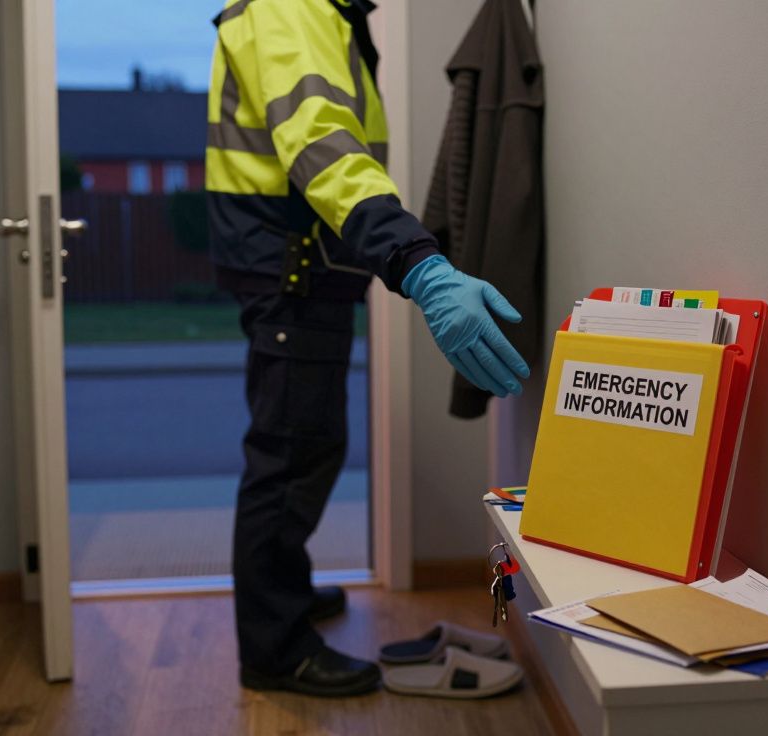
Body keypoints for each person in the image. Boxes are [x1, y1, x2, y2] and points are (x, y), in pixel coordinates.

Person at [205, 0, 530, 697]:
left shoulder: (324, 12)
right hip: (292, 267)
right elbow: (322, 145)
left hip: (298, 265)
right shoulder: (292, 7)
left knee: (307, 443)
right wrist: (417, 260)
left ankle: (284, 591)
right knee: (289, 455)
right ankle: (274, 648)